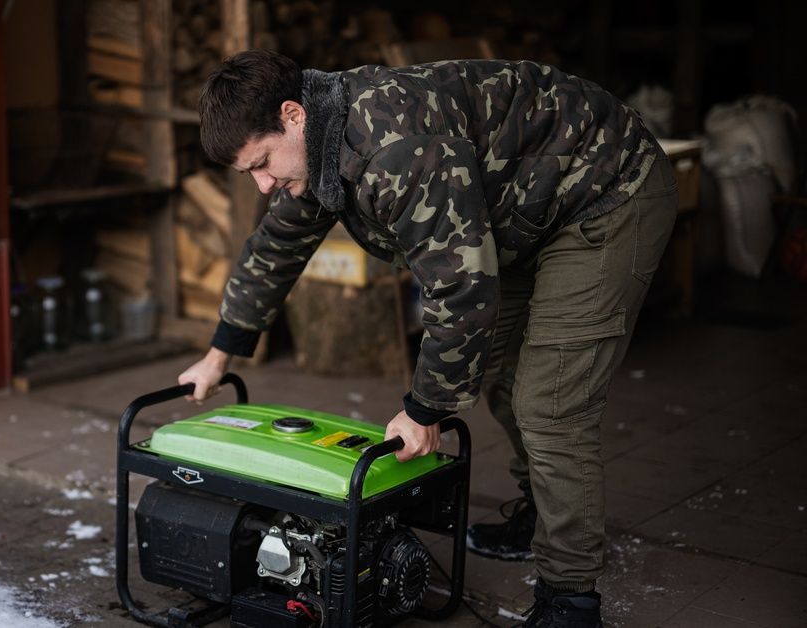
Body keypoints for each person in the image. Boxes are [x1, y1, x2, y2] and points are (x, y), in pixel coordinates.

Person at [177, 49, 677, 627]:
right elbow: (275, 246)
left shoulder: (394, 148)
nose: (264, 185)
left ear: (292, 115)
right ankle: (545, 511)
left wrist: (424, 409)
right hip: (524, 212)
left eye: (263, 163)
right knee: (494, 370)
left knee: (551, 403)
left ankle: (570, 596)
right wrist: (220, 353)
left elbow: (460, 290)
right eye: (249, 175)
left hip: (607, 191)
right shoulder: (316, 144)